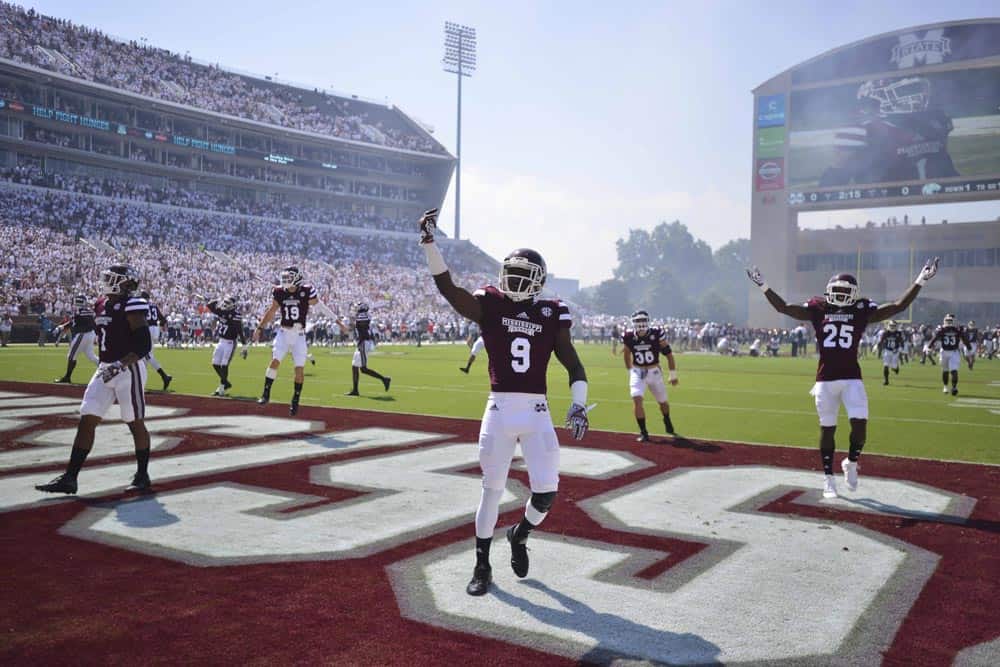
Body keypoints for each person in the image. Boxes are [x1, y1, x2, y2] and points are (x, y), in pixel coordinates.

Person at [418, 208, 589, 597]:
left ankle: (520, 534)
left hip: (537, 413)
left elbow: (574, 366)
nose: (513, 281)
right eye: (511, 273)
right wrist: (430, 245)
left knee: (546, 492)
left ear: (539, 282)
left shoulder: (551, 312)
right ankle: (481, 565)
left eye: (523, 277)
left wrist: (578, 404)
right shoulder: (490, 303)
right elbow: (451, 292)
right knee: (491, 490)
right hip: (498, 410)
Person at [747, 257, 938, 499]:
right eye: (835, 290)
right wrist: (763, 285)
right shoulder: (818, 308)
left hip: (851, 378)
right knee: (827, 429)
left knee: (860, 427)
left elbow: (898, 306)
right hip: (825, 379)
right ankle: (828, 478)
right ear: (827, 292)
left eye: (844, 291)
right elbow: (784, 307)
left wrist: (921, 279)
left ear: (855, 294)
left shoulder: (861, 310)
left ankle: (852, 462)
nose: (839, 294)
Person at [36, 265, 153, 494]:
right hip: (105, 368)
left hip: (129, 369)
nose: (106, 280)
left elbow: (143, 345)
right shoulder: (100, 303)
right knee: (87, 416)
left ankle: (142, 474)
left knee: (133, 421)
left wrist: (120, 364)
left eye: (111, 278)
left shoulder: (133, 304)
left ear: (123, 282)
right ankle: (70, 478)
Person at [252, 266, 317, 416]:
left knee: (299, 370)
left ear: (297, 278)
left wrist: (307, 294)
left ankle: (295, 399)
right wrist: (260, 327)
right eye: (285, 277)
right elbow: (271, 310)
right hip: (283, 333)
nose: (285, 280)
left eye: (289, 277)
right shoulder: (279, 292)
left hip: (299, 335)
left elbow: (315, 302)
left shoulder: (306, 290)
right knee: (275, 361)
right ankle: (266, 393)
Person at [622, 310, 678, 442]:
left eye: (643, 320)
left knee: (662, 402)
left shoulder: (656, 333)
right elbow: (626, 354)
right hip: (638, 371)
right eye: (637, 321)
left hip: (654, 372)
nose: (640, 323)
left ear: (647, 321)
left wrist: (673, 374)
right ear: (633, 322)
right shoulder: (628, 336)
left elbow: (669, 354)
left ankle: (666, 418)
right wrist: (631, 371)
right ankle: (644, 432)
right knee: (636, 398)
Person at [200, 294, 247, 396]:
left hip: (230, 343)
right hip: (221, 341)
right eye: (224, 302)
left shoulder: (235, 315)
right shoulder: (221, 311)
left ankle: (221, 389)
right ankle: (226, 383)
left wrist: (244, 347)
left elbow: (240, 332)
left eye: (227, 303)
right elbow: (210, 305)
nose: (224, 304)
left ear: (233, 305)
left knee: (224, 365)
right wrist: (214, 299)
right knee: (215, 364)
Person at [339, 302, 390, 396]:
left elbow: (360, 326)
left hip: (363, 343)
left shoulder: (362, 315)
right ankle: (355, 390)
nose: (356, 309)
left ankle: (384, 379)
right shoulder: (363, 316)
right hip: (362, 343)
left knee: (363, 369)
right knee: (354, 366)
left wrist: (351, 323)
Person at [53, 294, 99, 383]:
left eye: (79, 301)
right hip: (90, 334)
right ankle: (106, 369)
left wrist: (60, 327)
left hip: (83, 335)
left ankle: (67, 377)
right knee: (91, 356)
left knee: (71, 356)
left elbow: (72, 323)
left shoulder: (79, 312)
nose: (77, 303)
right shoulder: (89, 311)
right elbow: (93, 324)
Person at [140, 290, 172, 390]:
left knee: (147, 355)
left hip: (147, 329)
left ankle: (164, 376)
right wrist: (162, 327)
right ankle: (141, 383)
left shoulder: (142, 305)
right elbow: (163, 319)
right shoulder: (153, 306)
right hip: (155, 329)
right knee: (146, 357)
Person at [926, 314, 965, 395]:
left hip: (953, 351)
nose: (949, 322)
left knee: (953, 370)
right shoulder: (945, 329)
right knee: (946, 371)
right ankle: (946, 386)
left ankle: (953, 387)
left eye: (950, 320)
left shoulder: (955, 329)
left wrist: (929, 347)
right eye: (948, 320)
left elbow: (963, 337)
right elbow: (936, 337)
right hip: (945, 351)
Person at [876, 320, 905, 386]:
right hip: (887, 350)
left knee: (893, 366)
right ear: (888, 326)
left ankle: (896, 368)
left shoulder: (899, 333)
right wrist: (877, 347)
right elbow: (881, 341)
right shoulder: (886, 333)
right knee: (886, 365)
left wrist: (901, 348)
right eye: (891, 326)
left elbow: (902, 341)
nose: (892, 327)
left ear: (896, 326)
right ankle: (886, 381)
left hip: (895, 351)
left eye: (893, 326)